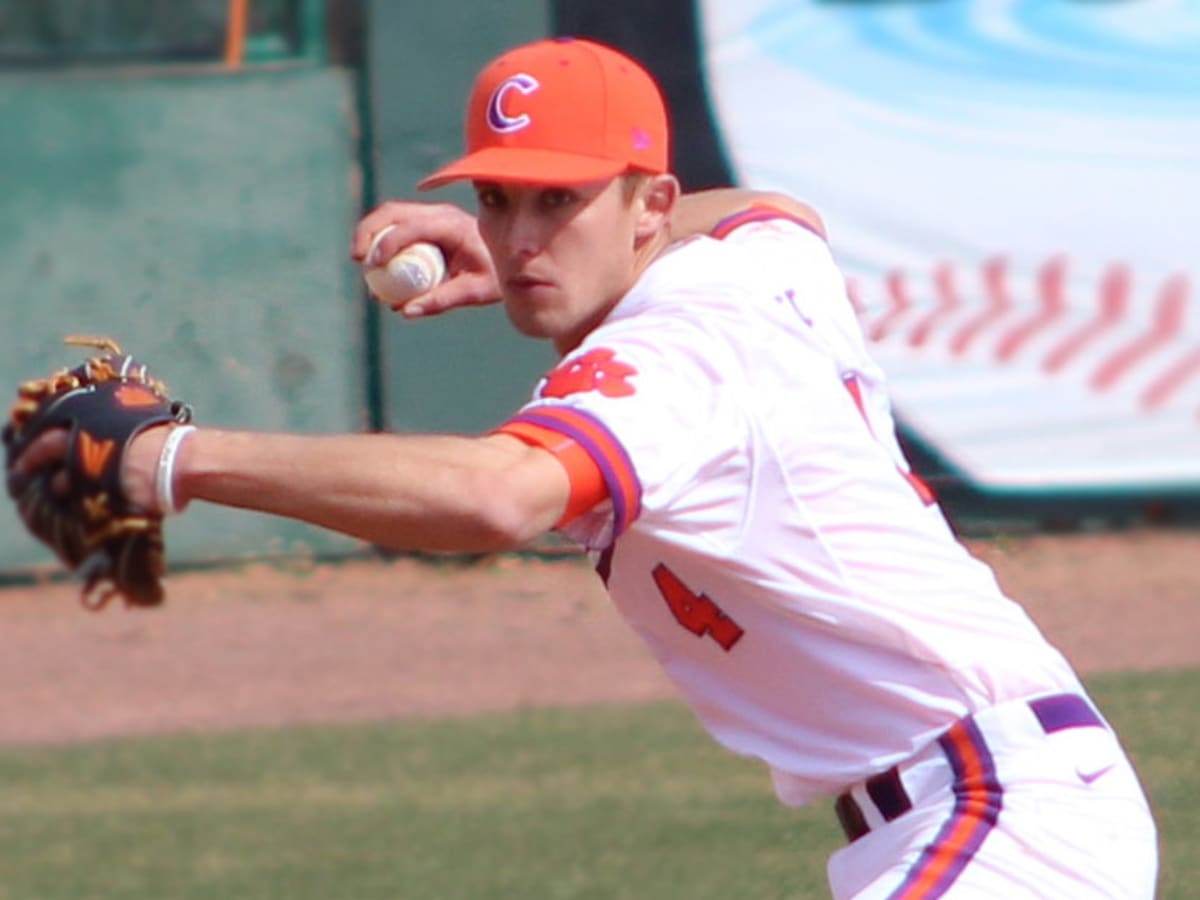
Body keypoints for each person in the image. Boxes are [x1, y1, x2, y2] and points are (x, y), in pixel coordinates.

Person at [17, 37, 1157, 898]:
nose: (519, 239)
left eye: (560, 200)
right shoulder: (753, 266)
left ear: (651, 204)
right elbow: (775, 206)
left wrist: (174, 460)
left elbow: (497, 496)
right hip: (996, 808)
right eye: (498, 199)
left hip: (1001, 817)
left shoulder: (673, 352)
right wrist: (574, 241)